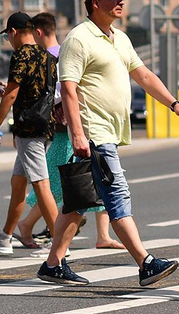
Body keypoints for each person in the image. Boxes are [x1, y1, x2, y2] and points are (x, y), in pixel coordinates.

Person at [38, 0, 179, 287]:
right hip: (95, 134)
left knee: (78, 202)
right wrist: (78, 135)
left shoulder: (120, 38)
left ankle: (53, 264)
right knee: (116, 196)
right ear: (96, 3)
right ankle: (145, 262)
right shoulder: (78, 39)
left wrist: (174, 104)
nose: (121, 1)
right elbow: (68, 90)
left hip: (109, 132)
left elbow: (144, 75)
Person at [18, 12, 120, 250]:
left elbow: (60, 92)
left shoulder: (55, 56)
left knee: (75, 180)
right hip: (77, 126)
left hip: (72, 127)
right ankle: (29, 224)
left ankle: (100, 234)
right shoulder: (66, 52)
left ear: (38, 32)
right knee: (92, 178)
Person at [0, 12, 60, 255]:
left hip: (29, 128)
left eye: (8, 37)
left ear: (13, 32)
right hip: (45, 124)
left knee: (41, 185)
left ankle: (60, 242)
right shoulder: (47, 56)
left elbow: (14, 94)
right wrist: (9, 91)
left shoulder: (21, 55)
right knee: (19, 183)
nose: (10, 41)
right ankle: (5, 236)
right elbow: (36, 90)